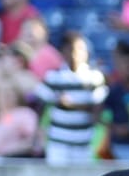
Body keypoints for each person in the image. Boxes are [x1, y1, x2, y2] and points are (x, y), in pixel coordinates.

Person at [36, 31, 110, 165]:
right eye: (72, 49)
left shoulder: (95, 77)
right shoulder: (53, 77)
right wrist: (39, 131)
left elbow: (97, 110)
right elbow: (40, 103)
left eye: (81, 49)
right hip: (58, 143)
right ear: (63, 51)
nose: (76, 53)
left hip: (84, 143)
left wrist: (72, 105)